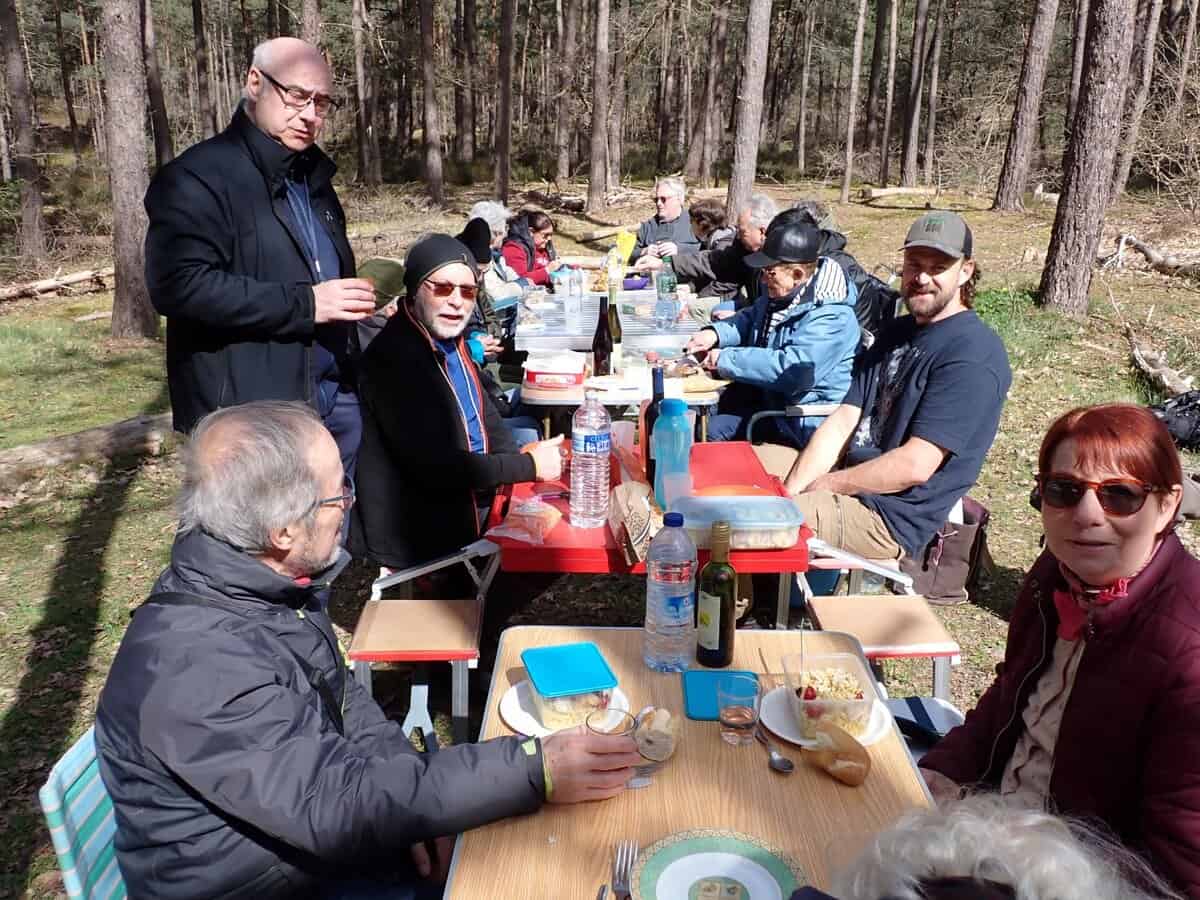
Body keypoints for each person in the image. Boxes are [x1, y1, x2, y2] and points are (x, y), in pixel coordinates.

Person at [94, 402, 643, 900]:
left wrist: (417, 812)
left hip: (307, 848)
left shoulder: (264, 588)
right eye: (339, 494)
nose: (348, 506)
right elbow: (332, 805)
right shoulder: (199, 664)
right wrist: (531, 767)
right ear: (283, 530)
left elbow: (344, 704)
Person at [920, 404, 1199, 896]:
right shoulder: (1056, 572)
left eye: (1120, 495)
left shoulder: (1186, 649)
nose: (1087, 515)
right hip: (986, 827)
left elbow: (1178, 871)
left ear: (1167, 505)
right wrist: (942, 769)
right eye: (1064, 490)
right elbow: (1009, 696)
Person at [144, 37, 374, 477]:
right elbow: (178, 286)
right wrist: (308, 304)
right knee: (259, 524)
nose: (309, 115)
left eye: (321, 102)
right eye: (297, 96)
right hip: (249, 422)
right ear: (255, 82)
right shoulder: (196, 178)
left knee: (332, 520)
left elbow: (316, 272)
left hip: (332, 403)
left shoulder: (314, 179)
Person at [782, 211, 1011, 563]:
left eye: (938, 268)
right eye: (914, 264)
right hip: (846, 478)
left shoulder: (973, 354)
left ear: (965, 271)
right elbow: (844, 420)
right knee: (736, 477)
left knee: (746, 523)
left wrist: (824, 486)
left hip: (887, 517)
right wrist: (789, 492)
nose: (921, 278)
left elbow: (914, 466)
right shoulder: (896, 332)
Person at [351, 234, 564, 570]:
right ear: (415, 289)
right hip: (424, 531)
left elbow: (486, 414)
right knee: (547, 558)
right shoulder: (394, 360)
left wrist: (517, 457)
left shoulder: (447, 339)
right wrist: (527, 467)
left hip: (466, 497)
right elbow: (437, 468)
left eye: (467, 292)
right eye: (443, 288)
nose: (456, 302)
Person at [683, 221, 860, 448]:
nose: (763, 279)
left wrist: (725, 358)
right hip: (769, 396)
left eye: (770, 272)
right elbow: (750, 318)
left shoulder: (831, 317)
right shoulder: (784, 293)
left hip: (797, 418)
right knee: (692, 409)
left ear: (797, 274)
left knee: (709, 430)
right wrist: (715, 334)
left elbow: (794, 371)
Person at [809, 794, 1184, 900]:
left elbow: (1180, 865)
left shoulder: (1182, 663)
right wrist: (944, 764)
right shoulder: (1043, 621)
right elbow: (998, 709)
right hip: (1024, 837)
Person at [455, 218, 543, 448]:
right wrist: (474, 345)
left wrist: (491, 336)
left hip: (487, 362)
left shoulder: (477, 282)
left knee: (536, 397)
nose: (480, 278)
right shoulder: (456, 292)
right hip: (479, 377)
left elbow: (489, 314)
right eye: (478, 272)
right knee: (530, 414)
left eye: (483, 273)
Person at [637, 192, 777, 303]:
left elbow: (726, 280)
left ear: (762, 231)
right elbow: (708, 261)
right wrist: (690, 286)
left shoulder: (777, 261)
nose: (738, 236)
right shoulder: (742, 247)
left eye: (742, 232)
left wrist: (698, 298)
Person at [629, 176, 702, 263]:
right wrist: (644, 251)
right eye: (656, 199)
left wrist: (679, 249)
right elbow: (626, 254)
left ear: (679, 199)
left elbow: (710, 251)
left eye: (663, 199)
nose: (658, 203)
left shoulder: (695, 222)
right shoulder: (648, 226)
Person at [501, 209, 562, 286]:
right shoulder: (513, 248)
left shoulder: (544, 247)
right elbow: (520, 280)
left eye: (551, 235)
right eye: (545, 235)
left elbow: (552, 268)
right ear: (531, 232)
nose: (549, 238)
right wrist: (547, 271)